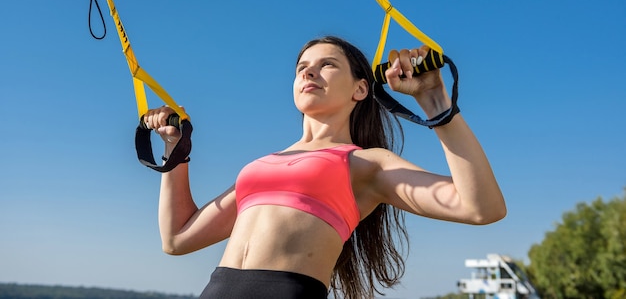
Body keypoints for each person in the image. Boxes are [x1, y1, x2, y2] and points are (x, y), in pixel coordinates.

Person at [142, 36, 506, 299]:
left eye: (326, 65)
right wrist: (176, 149)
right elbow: (177, 239)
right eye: (302, 67)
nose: (309, 72)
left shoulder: (366, 162)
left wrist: (436, 103)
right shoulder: (261, 167)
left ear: (361, 89)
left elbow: (481, 207)